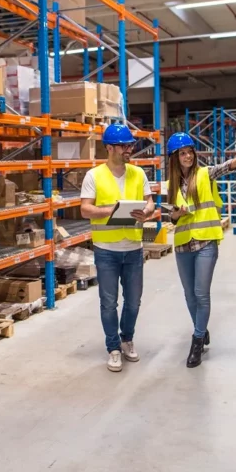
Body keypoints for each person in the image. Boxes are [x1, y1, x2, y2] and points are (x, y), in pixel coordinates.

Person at [166, 132, 236, 368]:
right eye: (182, 153)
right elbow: (172, 218)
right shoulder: (172, 184)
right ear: (175, 158)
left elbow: (226, 166)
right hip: (183, 243)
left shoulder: (205, 174)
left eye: (190, 152)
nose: (187, 156)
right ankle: (201, 327)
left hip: (206, 242)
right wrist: (176, 214)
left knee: (201, 293)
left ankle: (197, 340)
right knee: (189, 295)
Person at [81, 124, 156, 373]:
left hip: (134, 247)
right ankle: (113, 348)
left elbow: (149, 201)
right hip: (106, 250)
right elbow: (85, 209)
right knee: (108, 302)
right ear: (110, 148)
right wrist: (110, 211)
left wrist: (146, 213)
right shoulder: (94, 176)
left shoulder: (138, 173)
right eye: (124, 146)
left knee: (133, 301)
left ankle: (127, 339)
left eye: (130, 145)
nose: (129, 149)